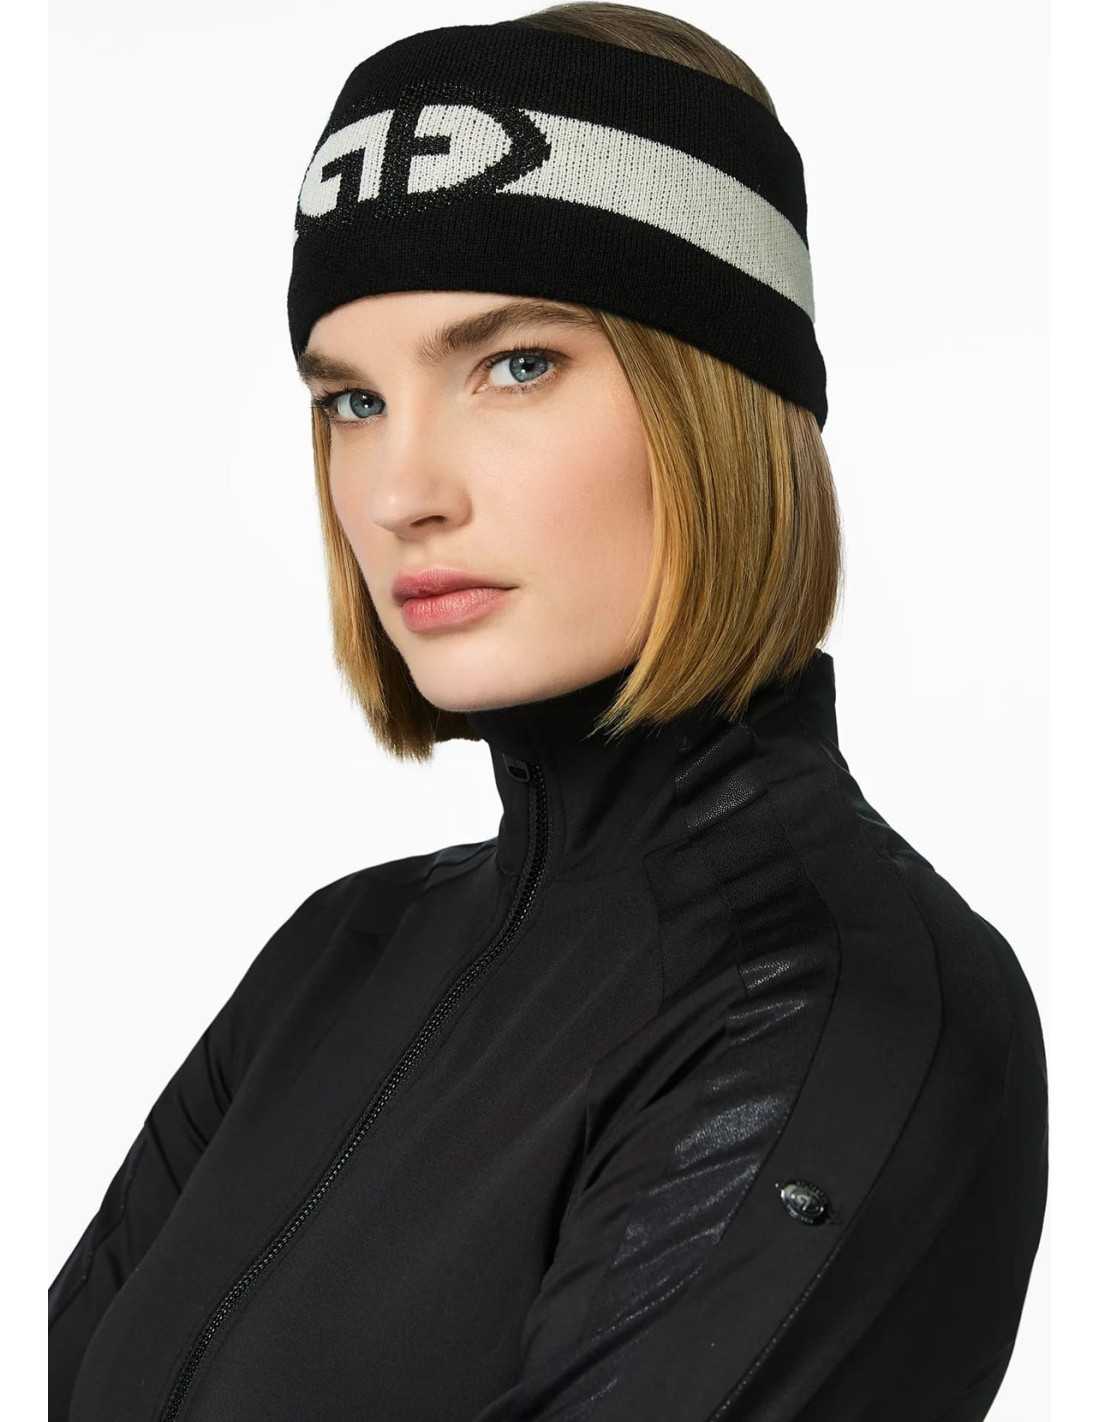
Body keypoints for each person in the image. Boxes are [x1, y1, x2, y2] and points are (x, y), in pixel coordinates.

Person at [48, 5, 1048, 1420]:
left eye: (514, 364)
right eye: (351, 401)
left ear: (717, 406)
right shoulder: (338, 953)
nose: (403, 490)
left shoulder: (834, 1012)